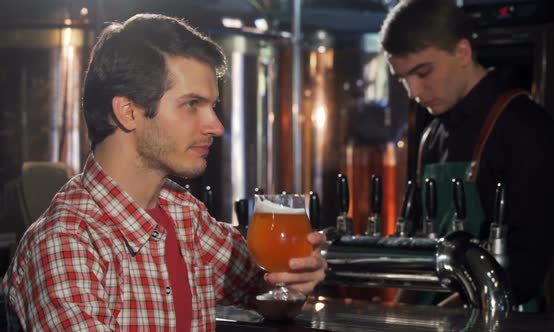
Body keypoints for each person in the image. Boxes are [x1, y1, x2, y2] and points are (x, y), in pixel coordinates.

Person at [1, 13, 327, 331]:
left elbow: (265, 293)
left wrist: (295, 281)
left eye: (212, 106)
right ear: (129, 112)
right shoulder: (66, 245)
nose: (216, 125)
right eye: (191, 104)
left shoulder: (186, 216)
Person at [379, 0, 554, 310]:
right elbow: (417, 251)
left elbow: (525, 269)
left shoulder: (523, 126)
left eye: (422, 72)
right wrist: (394, 313)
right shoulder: (431, 137)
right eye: (403, 79)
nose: (413, 91)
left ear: (462, 52)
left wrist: (438, 318)